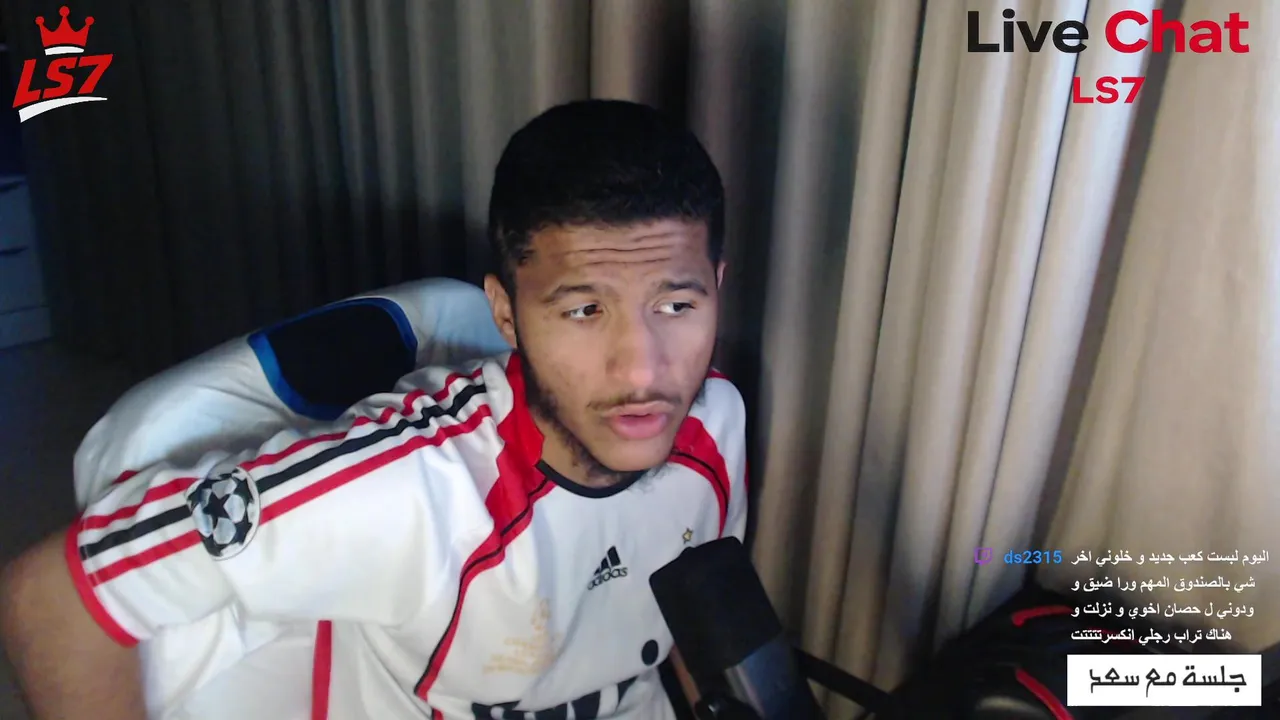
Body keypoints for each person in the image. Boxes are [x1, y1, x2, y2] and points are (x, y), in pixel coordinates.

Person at [0, 99, 747, 720]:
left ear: (716, 287)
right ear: (507, 315)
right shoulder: (411, 492)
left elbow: (693, 601)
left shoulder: (713, 420)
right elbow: (52, 598)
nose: (643, 370)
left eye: (676, 305)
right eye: (584, 310)